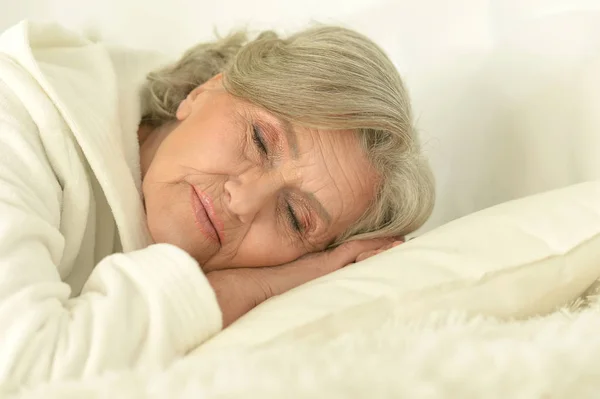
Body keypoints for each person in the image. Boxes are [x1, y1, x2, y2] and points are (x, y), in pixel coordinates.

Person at [0, 20, 434, 385]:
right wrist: (255, 287)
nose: (244, 201)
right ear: (206, 90)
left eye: (295, 217)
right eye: (261, 140)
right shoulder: (17, 115)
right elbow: (27, 367)